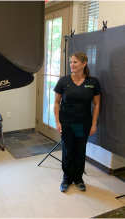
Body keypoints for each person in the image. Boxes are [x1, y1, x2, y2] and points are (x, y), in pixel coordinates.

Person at [53, 51, 101, 193]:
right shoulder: (63, 81)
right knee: (68, 151)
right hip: (66, 122)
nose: (71, 65)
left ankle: (78, 178)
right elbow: (56, 102)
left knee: (80, 151)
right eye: (71, 62)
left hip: (82, 124)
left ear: (84, 63)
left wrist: (93, 124)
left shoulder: (93, 82)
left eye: (75, 62)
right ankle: (67, 178)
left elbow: (97, 104)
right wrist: (57, 122)